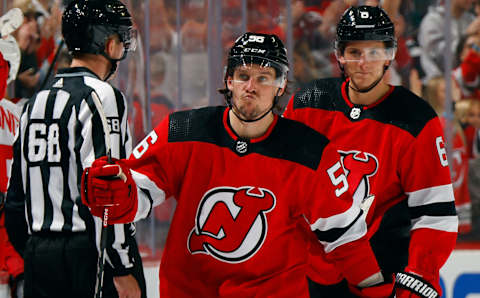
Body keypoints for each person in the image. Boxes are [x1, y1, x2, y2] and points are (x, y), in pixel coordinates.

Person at [80, 32, 394, 297]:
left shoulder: (310, 152)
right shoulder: (182, 131)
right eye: (243, 76)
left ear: (281, 85)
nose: (251, 87)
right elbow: (141, 193)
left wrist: (375, 289)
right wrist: (119, 192)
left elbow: (345, 239)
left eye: (263, 78)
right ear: (229, 80)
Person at [283, 6, 458, 298]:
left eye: (374, 52)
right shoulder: (308, 103)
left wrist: (419, 273)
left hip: (382, 271)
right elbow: (278, 181)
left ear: (390, 54)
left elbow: (434, 212)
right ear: (339, 55)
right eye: (354, 53)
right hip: (309, 269)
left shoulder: (415, 119)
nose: (364, 63)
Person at [4, 1, 146, 297]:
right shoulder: (103, 96)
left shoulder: (35, 103)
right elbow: (108, 189)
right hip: (88, 253)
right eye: (121, 38)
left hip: (38, 253)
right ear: (108, 43)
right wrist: (121, 267)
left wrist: (33, 252)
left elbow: (15, 198)